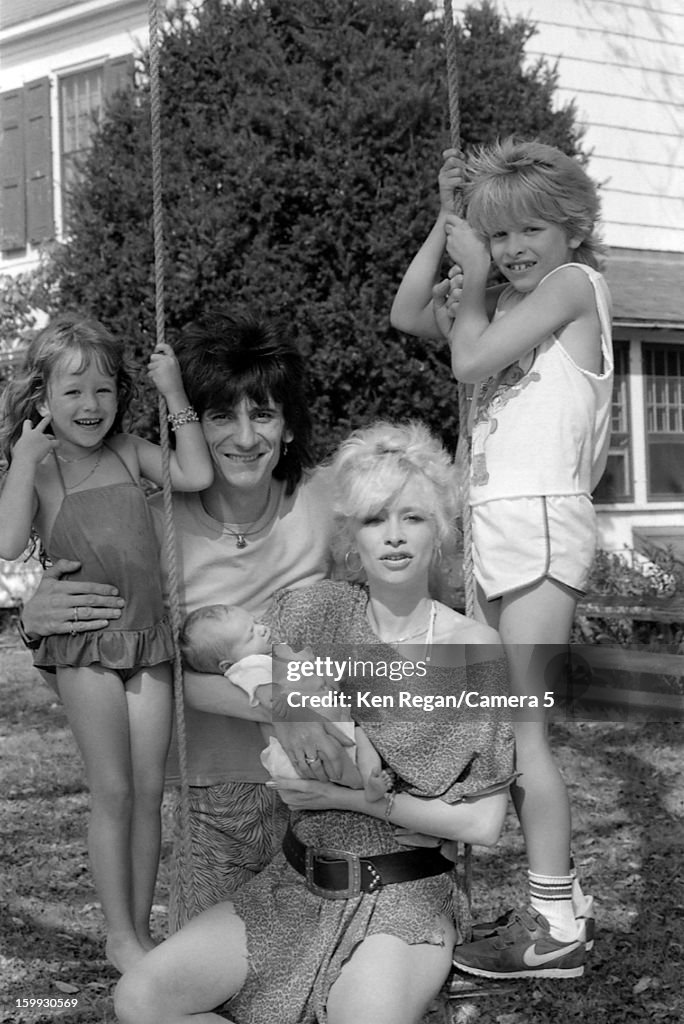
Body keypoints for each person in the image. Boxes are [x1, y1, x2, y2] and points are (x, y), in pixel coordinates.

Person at [114, 420, 515, 1024]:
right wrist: (286, 705)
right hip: (297, 883)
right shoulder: (310, 612)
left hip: (405, 894)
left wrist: (340, 797)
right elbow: (200, 678)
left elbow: (484, 823)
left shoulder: (474, 646)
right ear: (350, 537)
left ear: (443, 531)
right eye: (375, 520)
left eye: (414, 517)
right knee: (141, 999)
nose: (395, 537)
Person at [19, 310, 345, 932]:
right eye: (220, 415)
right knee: (200, 987)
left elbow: (398, 633)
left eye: (264, 413)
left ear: (291, 427)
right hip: (214, 799)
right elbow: (124, 658)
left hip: (334, 784)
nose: (244, 438)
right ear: (191, 426)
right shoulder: (149, 522)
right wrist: (35, 624)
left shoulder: (337, 508)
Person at [390, 137, 612, 978]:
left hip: (541, 528)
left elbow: (469, 355)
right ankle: (558, 903)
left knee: (525, 735)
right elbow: (412, 316)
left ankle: (555, 923)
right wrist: (447, 224)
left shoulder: (570, 286)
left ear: (574, 228)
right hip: (494, 533)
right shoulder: (509, 302)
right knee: (494, 731)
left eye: (530, 232)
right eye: (500, 236)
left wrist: (476, 273)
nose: (516, 250)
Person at [0, 314, 213, 973]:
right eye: (72, 392)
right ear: (42, 400)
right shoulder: (40, 468)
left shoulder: (129, 450)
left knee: (150, 790)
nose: (90, 405)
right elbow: (7, 545)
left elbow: (196, 475)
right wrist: (24, 460)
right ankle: (119, 934)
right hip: (86, 646)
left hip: (147, 641)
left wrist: (174, 393)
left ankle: (142, 930)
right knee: (114, 790)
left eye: (102, 390)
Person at [179, 602, 392, 797]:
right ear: (227, 665)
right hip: (299, 747)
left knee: (359, 738)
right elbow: (267, 695)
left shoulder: (270, 657)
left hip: (327, 727)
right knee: (343, 750)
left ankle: (369, 780)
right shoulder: (249, 666)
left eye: (255, 622)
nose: (262, 629)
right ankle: (360, 785)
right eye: (251, 634)